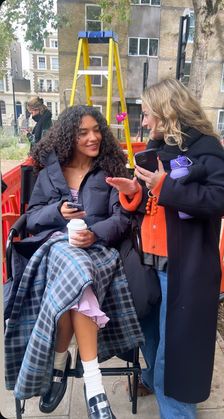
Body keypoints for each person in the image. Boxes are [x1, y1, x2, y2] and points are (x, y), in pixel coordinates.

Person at [106, 78, 224, 419]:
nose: (144, 121)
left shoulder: (206, 149)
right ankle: (151, 379)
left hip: (183, 270)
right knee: (148, 334)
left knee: (175, 353)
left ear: (167, 111)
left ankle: (176, 409)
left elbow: (219, 200)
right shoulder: (161, 148)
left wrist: (166, 188)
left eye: (147, 114)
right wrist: (134, 190)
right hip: (147, 263)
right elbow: (152, 201)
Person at [4, 105, 143, 419]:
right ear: (69, 135)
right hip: (55, 249)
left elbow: (122, 218)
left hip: (98, 252)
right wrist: (58, 214)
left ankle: (58, 361)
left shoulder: (112, 167)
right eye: (83, 133)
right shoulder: (51, 171)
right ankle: (94, 389)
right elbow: (32, 217)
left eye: (96, 130)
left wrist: (93, 235)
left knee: (77, 277)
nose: (93, 137)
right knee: (74, 268)